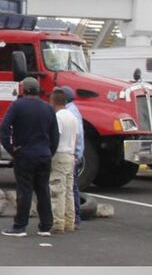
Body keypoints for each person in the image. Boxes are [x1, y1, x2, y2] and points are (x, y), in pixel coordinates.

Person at [0, 76, 59, 238]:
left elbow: (4, 129)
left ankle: (20, 226)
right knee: (43, 190)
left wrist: (12, 149)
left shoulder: (17, 106)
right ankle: (46, 226)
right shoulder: (48, 108)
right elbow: (55, 136)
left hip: (25, 154)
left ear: (23, 89)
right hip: (44, 154)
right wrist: (49, 152)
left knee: (25, 190)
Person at [50, 88, 78, 233]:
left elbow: (56, 136)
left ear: (53, 101)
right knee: (69, 191)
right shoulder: (72, 116)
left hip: (60, 154)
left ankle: (58, 222)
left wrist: (50, 153)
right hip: (70, 154)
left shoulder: (58, 117)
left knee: (57, 190)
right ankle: (70, 221)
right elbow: (77, 136)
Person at [61, 86, 85, 229]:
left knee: (70, 188)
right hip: (73, 155)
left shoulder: (69, 112)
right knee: (71, 187)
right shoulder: (73, 110)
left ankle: (74, 217)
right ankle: (73, 217)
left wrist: (76, 154)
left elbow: (77, 135)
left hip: (70, 155)